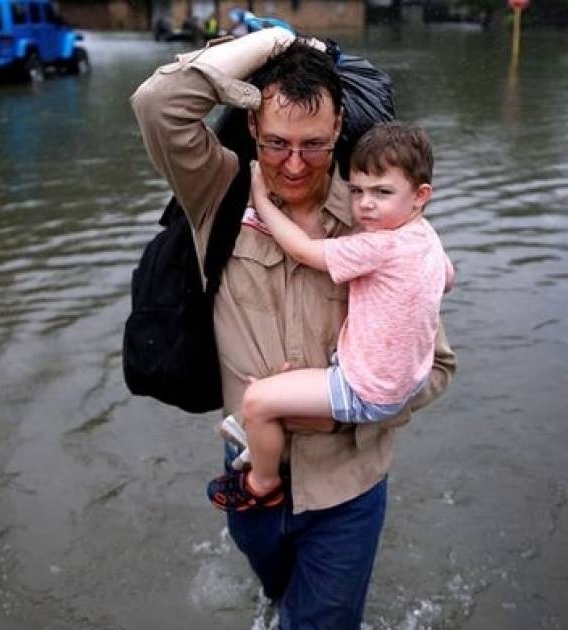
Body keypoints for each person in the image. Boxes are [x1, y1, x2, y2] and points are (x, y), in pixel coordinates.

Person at [131, 29, 455, 628]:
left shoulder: (380, 224)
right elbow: (159, 103)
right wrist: (276, 41)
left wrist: (343, 410)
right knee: (280, 601)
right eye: (277, 143)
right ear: (252, 129)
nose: (294, 164)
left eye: (313, 144)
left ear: (339, 132)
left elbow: (435, 368)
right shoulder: (217, 194)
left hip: (347, 492)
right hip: (249, 484)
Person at [206, 122, 455, 512]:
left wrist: (262, 201)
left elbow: (305, 251)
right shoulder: (426, 238)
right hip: (402, 383)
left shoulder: (377, 246)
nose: (365, 204)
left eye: (382, 192)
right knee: (283, 387)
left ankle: (261, 482)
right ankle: (265, 434)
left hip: (364, 389)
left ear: (420, 196)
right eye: (356, 190)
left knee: (256, 400)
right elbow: (448, 279)